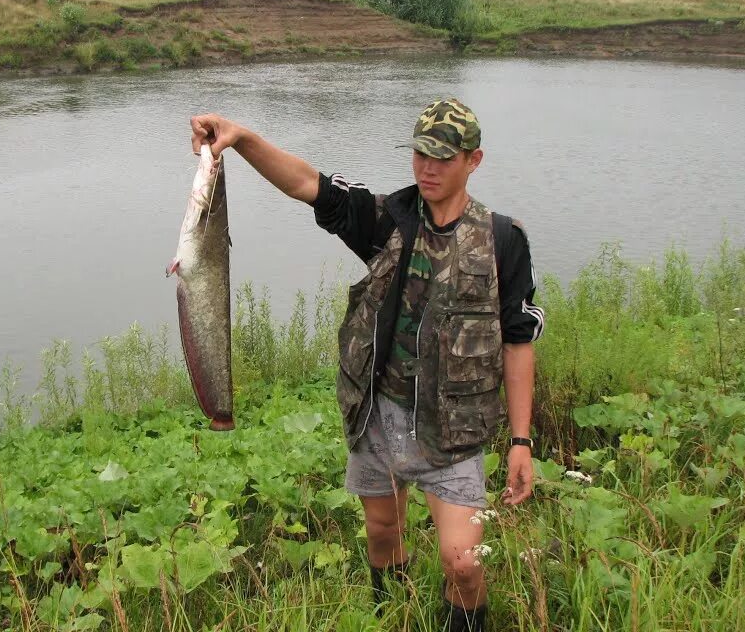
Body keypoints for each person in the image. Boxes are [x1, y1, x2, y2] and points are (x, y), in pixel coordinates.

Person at [190, 98, 544, 631]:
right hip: (377, 414)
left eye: (443, 157)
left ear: (474, 160)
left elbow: (519, 343)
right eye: (420, 153)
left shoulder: (501, 240)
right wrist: (240, 139)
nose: (427, 167)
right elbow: (306, 184)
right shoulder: (389, 220)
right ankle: (390, 615)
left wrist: (521, 440)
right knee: (382, 531)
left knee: (464, 563)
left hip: (453, 429)